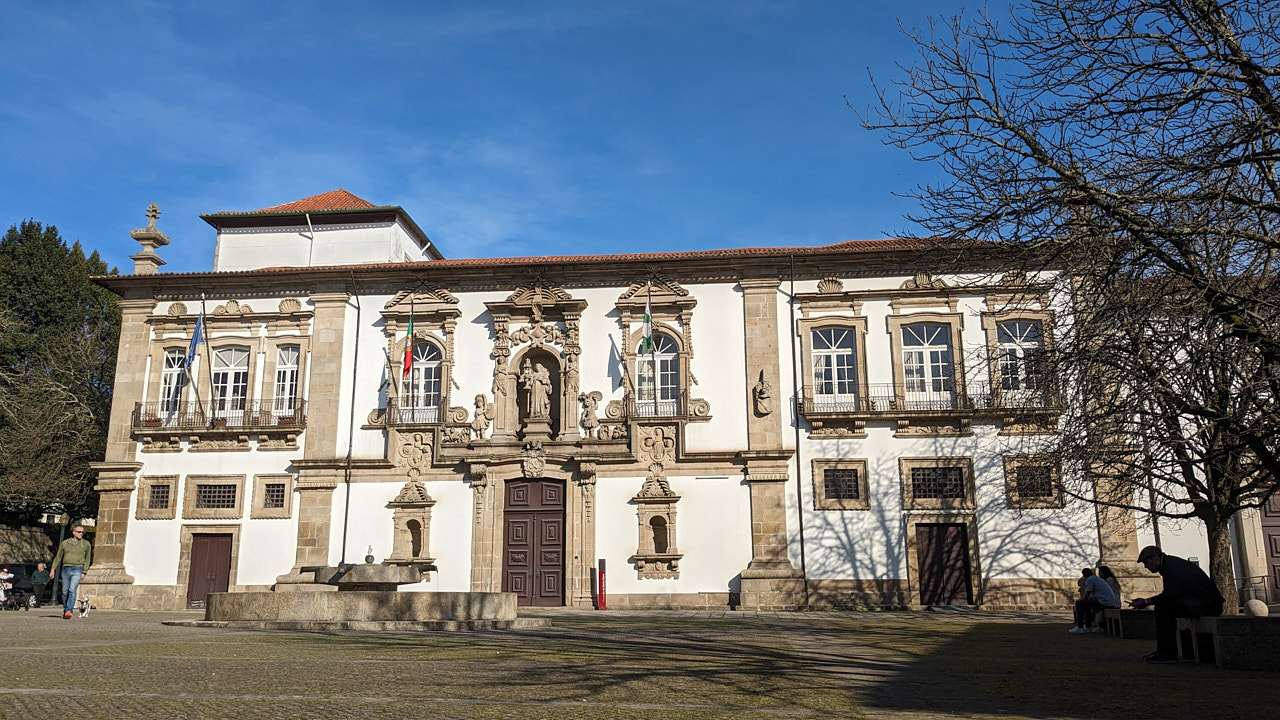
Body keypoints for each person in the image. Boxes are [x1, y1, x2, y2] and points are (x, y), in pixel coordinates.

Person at [1128, 545, 1225, 664]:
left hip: (1206, 605)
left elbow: (1170, 595)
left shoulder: (1172, 567)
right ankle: (1163, 651)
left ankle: (1167, 652)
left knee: (1164, 608)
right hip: (1201, 602)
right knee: (1164, 607)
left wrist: (1147, 601)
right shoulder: (1170, 565)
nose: (1146, 567)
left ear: (1155, 558)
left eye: (1146, 563)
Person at [50, 525, 93, 620]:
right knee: (65, 591)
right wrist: (53, 569)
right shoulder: (65, 543)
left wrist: (84, 571)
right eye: (79, 532)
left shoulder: (86, 544)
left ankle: (69, 610)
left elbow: (87, 558)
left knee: (72, 589)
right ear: (74, 532)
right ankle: (65, 609)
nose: (81, 534)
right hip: (66, 568)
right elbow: (58, 557)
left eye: (82, 532)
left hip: (78, 568)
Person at [1070, 567, 1116, 633]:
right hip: (1108, 601)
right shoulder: (1097, 579)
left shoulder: (1090, 580)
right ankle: (1087, 626)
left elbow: (1087, 594)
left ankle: (1080, 626)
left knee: (1079, 603)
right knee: (1087, 605)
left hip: (1103, 602)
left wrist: (1080, 600)